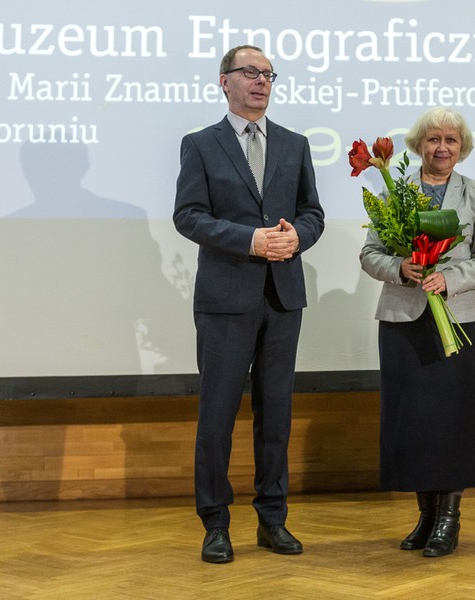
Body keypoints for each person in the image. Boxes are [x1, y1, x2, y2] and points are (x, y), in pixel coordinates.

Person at [173, 45, 325, 563]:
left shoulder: (295, 143)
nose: (261, 81)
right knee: (217, 416)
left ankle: (272, 521)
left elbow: (313, 212)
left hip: (283, 298)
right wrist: (251, 240)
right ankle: (215, 524)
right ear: (224, 81)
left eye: (268, 75)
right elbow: (188, 216)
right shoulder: (200, 144)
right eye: (250, 73)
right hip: (225, 299)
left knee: (275, 415)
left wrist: (296, 238)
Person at [359, 107, 475, 557]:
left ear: (462, 147)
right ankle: (425, 515)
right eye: (434, 139)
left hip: (459, 319)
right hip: (404, 320)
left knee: (454, 420)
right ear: (419, 144)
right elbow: (369, 254)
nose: (442, 147)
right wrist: (400, 268)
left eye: (451, 140)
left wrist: (451, 279)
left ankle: (449, 518)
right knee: (413, 422)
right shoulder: (394, 190)